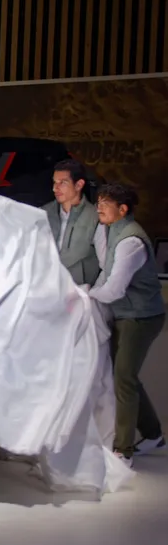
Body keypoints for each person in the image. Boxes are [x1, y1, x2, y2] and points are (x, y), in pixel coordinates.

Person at [86, 184, 166, 465]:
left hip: (140, 317)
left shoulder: (131, 241)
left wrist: (86, 293)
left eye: (105, 203)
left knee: (124, 378)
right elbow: (105, 268)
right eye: (98, 201)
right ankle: (153, 435)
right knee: (124, 376)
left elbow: (113, 290)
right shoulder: (110, 230)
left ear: (122, 209)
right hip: (125, 314)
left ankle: (123, 450)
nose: (99, 207)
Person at [44, 159, 100, 286]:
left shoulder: (95, 217)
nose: (55, 188)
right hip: (47, 285)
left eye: (62, 183)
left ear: (79, 185)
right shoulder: (44, 213)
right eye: (54, 182)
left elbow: (107, 262)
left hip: (79, 288)